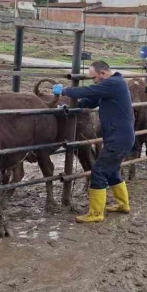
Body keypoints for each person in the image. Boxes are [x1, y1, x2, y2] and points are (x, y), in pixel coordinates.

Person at [53, 60, 135, 223]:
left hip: (118, 138)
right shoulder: (112, 86)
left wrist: (65, 90)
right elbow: (90, 101)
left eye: (94, 77)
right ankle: (123, 205)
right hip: (121, 137)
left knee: (98, 171)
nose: (94, 81)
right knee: (111, 171)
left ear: (103, 73)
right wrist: (71, 108)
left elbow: (88, 91)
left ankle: (96, 213)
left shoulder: (114, 83)